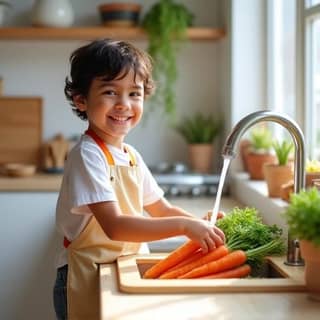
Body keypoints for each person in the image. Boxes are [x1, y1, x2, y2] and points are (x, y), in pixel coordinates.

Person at [53, 38, 225, 320]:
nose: (124, 104)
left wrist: (201, 225)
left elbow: (162, 209)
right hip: (87, 276)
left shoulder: (130, 155)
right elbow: (116, 226)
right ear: (81, 100)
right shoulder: (88, 155)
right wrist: (184, 226)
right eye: (110, 92)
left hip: (122, 271)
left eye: (135, 93)